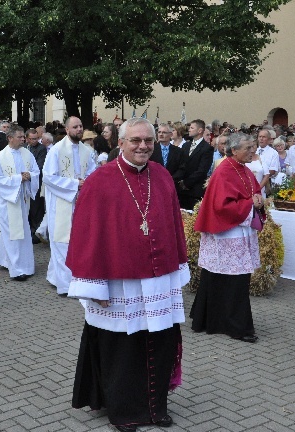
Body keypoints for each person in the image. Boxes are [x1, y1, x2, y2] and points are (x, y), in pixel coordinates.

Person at [67, 118, 188, 432]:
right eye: (135, 140)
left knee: (160, 343)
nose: (143, 146)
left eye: (148, 140)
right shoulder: (101, 180)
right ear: (120, 143)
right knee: (122, 349)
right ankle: (124, 412)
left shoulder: (162, 177)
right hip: (119, 282)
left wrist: (177, 269)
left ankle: (156, 408)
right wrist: (93, 284)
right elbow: (87, 235)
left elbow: (175, 226)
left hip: (159, 279)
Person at [190, 133, 263, 343]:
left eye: (253, 147)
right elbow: (222, 207)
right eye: (248, 148)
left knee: (225, 279)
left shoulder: (244, 169)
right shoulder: (224, 171)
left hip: (240, 232)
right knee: (230, 281)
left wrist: (256, 201)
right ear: (233, 150)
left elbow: (254, 194)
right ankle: (236, 326)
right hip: (227, 233)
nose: (252, 151)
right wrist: (251, 204)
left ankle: (208, 319)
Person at [42, 116, 97, 295]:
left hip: (80, 201)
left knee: (76, 240)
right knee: (62, 241)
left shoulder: (87, 150)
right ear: (67, 130)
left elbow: (92, 172)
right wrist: (74, 184)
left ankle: (54, 275)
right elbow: (49, 177)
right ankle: (65, 286)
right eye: (75, 127)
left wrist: (86, 182)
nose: (79, 129)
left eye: (81, 126)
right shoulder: (57, 150)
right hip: (61, 203)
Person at [0, 125, 40, 280]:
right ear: (9, 138)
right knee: (12, 233)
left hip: (23, 201)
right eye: (19, 137)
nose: (23, 139)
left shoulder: (27, 154)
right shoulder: (0, 157)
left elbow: (36, 171)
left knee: (21, 232)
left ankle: (7, 260)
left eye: (23, 137)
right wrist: (18, 178)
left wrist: (30, 175)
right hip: (8, 201)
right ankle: (17, 269)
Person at [177, 119, 215, 210]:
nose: (189, 129)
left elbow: (202, 170)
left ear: (200, 130)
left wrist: (187, 183)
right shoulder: (186, 145)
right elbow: (181, 164)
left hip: (195, 190)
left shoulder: (207, 148)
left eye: (192, 128)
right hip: (181, 190)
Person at [25, 128, 47, 242]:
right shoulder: (24, 147)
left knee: (36, 208)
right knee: (27, 208)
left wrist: (29, 174)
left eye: (36, 138)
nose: (34, 141)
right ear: (27, 139)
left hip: (36, 181)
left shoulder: (41, 148)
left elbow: (40, 165)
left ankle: (36, 232)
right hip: (24, 181)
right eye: (31, 139)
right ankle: (28, 230)